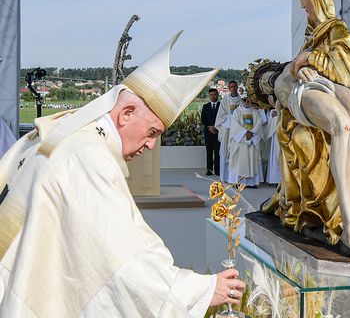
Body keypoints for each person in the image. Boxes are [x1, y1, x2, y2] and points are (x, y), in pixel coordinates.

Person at [0, 32, 245, 317]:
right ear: (127, 113)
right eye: (152, 132)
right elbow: (126, 261)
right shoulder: (88, 156)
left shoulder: (63, 130)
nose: (152, 145)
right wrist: (199, 289)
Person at [261, 0, 350, 251]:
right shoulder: (304, 47)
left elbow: (348, 69)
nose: (303, 5)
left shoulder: (335, 29)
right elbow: (295, 71)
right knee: (343, 126)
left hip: (330, 83)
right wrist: (298, 66)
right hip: (306, 88)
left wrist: (307, 59)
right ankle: (349, 222)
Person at [227, 85, 265, 188]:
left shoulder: (255, 112)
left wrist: (252, 133)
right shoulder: (237, 112)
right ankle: (238, 182)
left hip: (252, 140)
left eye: (248, 100)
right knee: (240, 162)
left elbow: (258, 124)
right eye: (244, 100)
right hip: (241, 142)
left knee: (252, 162)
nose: (246, 102)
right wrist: (245, 133)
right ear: (242, 100)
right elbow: (235, 126)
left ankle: (251, 183)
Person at [215, 81, 240, 182]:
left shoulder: (242, 100)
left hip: (238, 130)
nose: (233, 88)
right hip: (227, 130)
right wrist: (233, 117)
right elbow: (220, 116)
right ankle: (225, 177)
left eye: (235, 87)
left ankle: (235, 178)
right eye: (231, 87)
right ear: (229, 89)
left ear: (237, 88)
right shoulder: (225, 100)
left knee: (236, 152)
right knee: (226, 151)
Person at [201, 88, 220, 176]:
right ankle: (209, 169)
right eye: (211, 95)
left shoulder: (221, 106)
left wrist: (215, 128)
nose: (213, 96)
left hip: (218, 132)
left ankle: (217, 170)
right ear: (209, 96)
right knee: (209, 151)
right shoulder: (205, 106)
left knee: (217, 152)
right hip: (208, 133)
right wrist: (211, 128)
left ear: (217, 95)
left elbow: (222, 118)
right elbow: (203, 120)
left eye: (214, 95)